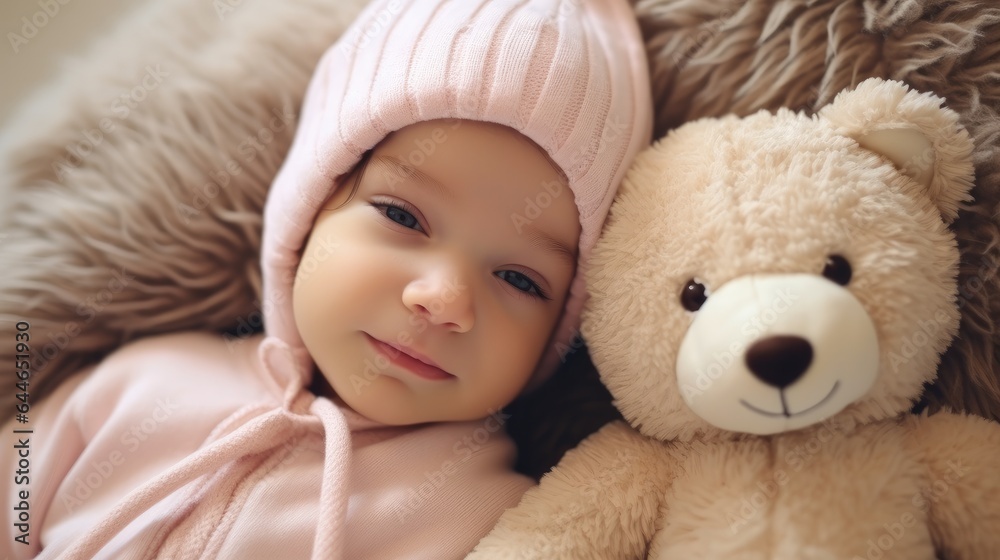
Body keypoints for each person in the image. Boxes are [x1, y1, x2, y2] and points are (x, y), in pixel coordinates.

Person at [1, 0, 652, 557]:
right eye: (403, 216)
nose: (443, 299)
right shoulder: (137, 384)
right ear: (310, 209)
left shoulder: (493, 522)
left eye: (519, 278)